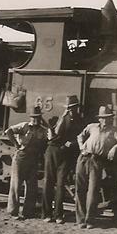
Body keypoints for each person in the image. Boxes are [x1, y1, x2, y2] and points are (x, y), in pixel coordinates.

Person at [74, 105, 117, 229]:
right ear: (99, 118)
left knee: (93, 191)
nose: (105, 120)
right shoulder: (91, 127)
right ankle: (80, 220)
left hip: (96, 160)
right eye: (102, 118)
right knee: (80, 188)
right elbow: (80, 136)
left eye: (107, 118)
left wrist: (114, 148)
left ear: (110, 118)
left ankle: (89, 221)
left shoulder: (114, 130)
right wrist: (81, 146)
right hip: (83, 158)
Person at [42, 95, 83, 224]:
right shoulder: (60, 119)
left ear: (76, 107)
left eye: (73, 108)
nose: (71, 110)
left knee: (60, 185)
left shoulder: (79, 120)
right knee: (48, 182)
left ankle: (58, 215)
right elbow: (56, 133)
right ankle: (46, 214)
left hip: (65, 153)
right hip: (53, 151)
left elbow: (81, 137)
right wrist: (64, 116)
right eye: (69, 108)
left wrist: (72, 143)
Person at [5, 104, 48, 220]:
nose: (36, 120)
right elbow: (8, 131)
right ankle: (13, 212)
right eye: (34, 117)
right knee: (16, 185)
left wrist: (44, 122)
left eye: (38, 117)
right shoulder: (24, 126)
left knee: (32, 187)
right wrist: (16, 144)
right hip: (20, 158)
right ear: (30, 118)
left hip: (33, 160)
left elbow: (50, 135)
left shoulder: (43, 131)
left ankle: (28, 212)